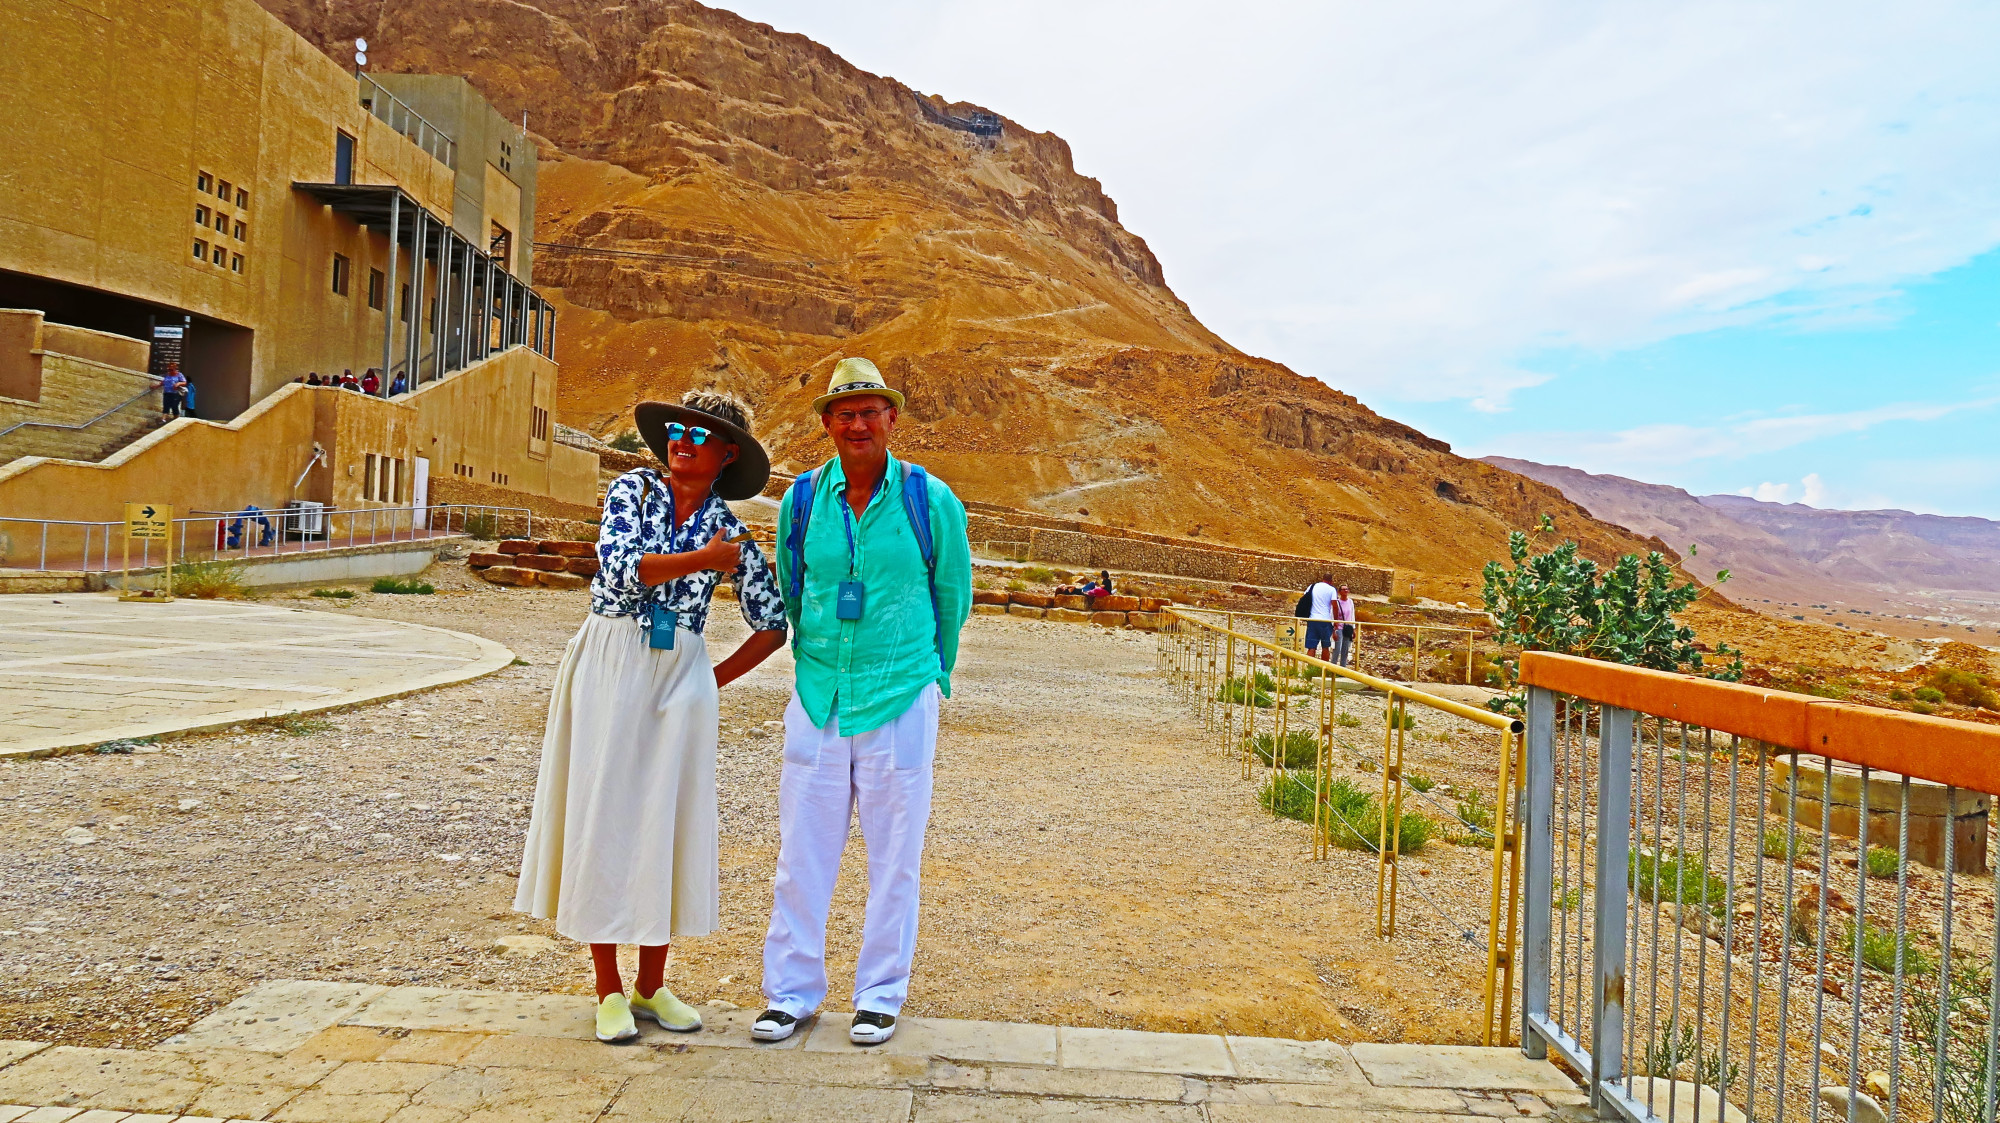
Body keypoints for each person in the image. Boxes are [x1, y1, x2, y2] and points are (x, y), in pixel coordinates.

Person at [514, 388, 790, 1045]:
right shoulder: (633, 492)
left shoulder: (730, 528)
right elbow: (619, 569)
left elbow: (774, 622)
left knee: (665, 817)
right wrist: (704, 560)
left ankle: (651, 983)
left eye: (701, 435)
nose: (682, 441)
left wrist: (709, 679)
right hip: (613, 656)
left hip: (680, 671)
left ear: (726, 455)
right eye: (678, 430)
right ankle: (607, 986)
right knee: (606, 812)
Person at [751, 357, 972, 1047]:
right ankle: (790, 993)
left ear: (891, 419)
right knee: (801, 852)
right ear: (826, 424)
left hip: (900, 695)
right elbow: (793, 583)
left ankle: (880, 993)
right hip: (819, 695)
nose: (857, 423)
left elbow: (951, 596)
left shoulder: (928, 499)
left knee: (895, 854)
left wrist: (934, 670)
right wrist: (809, 658)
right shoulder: (802, 500)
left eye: (869, 410)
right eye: (844, 412)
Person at [1301, 572, 1337, 661]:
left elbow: (1304, 598)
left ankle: (1310, 670)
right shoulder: (1332, 590)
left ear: (1322, 579)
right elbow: (1335, 606)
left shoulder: (1312, 586)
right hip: (1325, 620)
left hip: (1313, 619)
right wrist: (1335, 622)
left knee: (1311, 647)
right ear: (1331, 581)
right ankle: (1323, 669)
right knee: (1325, 646)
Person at [1332, 583, 1357, 667]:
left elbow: (1352, 615)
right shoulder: (1337, 602)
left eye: (1347, 589)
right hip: (1339, 628)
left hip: (1348, 628)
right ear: (1340, 592)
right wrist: (1333, 630)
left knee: (1345, 649)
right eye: (1344, 589)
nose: (1346, 591)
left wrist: (1353, 629)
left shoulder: (1350, 602)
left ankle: (1343, 668)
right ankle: (1333, 667)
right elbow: (1333, 615)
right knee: (1337, 649)